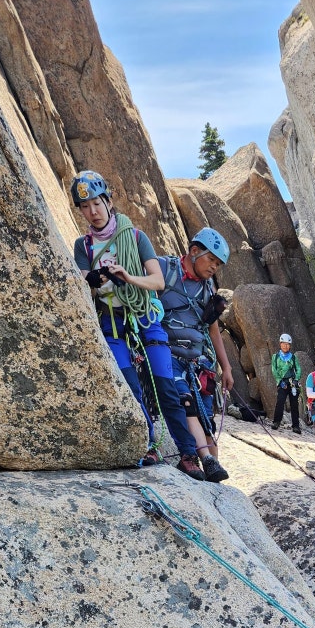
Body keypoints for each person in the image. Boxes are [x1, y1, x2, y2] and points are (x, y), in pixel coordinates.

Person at [70, 169, 208, 481]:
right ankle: (150, 444)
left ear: (107, 201)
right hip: (112, 322)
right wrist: (91, 279)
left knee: (166, 386)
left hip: (144, 316)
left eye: (96, 203)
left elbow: (157, 280)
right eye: (85, 206)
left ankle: (188, 455)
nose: (92, 211)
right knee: (131, 387)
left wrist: (128, 278)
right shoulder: (84, 246)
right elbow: (79, 282)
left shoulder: (135, 237)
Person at [156, 227, 236, 482]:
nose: (214, 267)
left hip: (199, 361)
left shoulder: (207, 288)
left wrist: (227, 367)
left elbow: (213, 330)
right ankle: (206, 460)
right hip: (169, 355)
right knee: (186, 402)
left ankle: (214, 467)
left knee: (206, 415)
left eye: (218, 263)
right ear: (194, 251)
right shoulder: (165, 269)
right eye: (211, 260)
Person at [271, 333, 302, 433]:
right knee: (280, 402)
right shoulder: (275, 357)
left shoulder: (293, 357)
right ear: (280, 344)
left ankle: (296, 426)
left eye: (287, 344)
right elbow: (274, 370)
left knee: (294, 404)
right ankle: (276, 422)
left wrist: (296, 380)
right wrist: (280, 382)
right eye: (283, 343)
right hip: (282, 383)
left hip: (292, 383)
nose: (285, 346)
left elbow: (298, 369)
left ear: (290, 345)